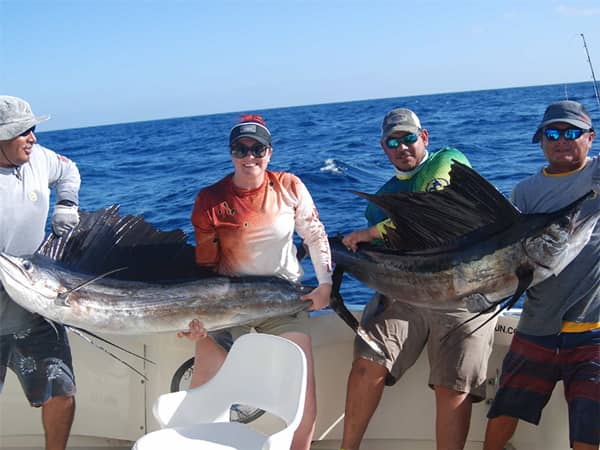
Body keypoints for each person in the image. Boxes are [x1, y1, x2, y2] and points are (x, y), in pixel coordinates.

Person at [340, 108, 497, 450]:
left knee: (453, 384)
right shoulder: (379, 202)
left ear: (424, 137)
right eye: (393, 141)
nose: (402, 147)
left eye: (409, 138)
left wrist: (369, 233)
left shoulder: (448, 161)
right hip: (408, 293)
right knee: (368, 363)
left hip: (464, 292)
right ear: (384, 148)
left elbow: (434, 209)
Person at [177, 114, 332, 450]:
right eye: (240, 149)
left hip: (283, 303)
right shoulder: (210, 199)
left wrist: (325, 284)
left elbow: (316, 235)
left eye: (257, 149)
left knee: (301, 389)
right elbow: (204, 267)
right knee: (204, 380)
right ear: (231, 153)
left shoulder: (289, 186)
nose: (249, 156)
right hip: (226, 305)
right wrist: (197, 319)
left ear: (269, 152)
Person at [484, 100, 600, 450]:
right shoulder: (525, 192)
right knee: (503, 414)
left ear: (590, 138)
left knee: (588, 431)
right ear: (541, 140)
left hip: (593, 331)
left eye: (572, 133)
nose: (562, 140)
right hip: (537, 326)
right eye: (553, 133)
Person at [0, 96, 81, 450]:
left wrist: (66, 203)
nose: (32, 137)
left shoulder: (41, 159)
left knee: (61, 391)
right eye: (22, 132)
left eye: (33, 128)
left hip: (34, 298)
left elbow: (68, 171)